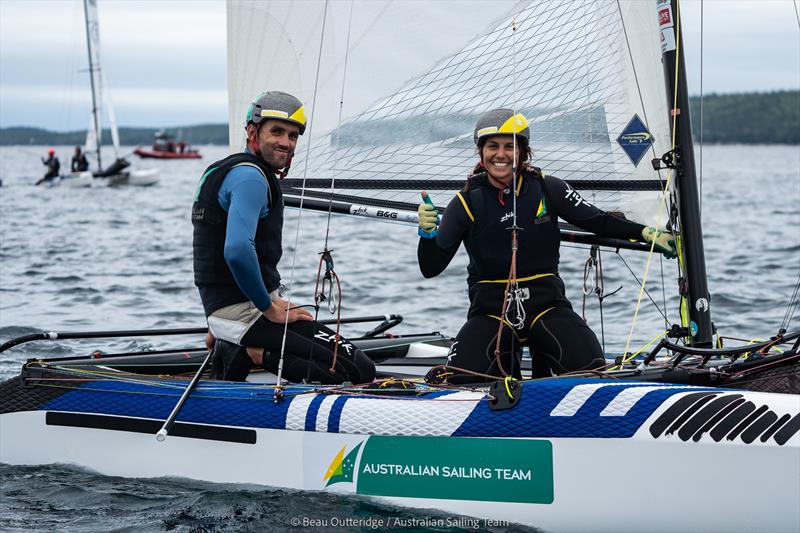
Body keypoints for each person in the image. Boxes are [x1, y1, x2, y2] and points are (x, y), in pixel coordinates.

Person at [417, 108, 676, 383]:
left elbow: (597, 221)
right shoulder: (466, 202)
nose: (501, 154)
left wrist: (646, 232)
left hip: (548, 307)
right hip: (492, 313)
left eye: (510, 146)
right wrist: (427, 233)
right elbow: (430, 268)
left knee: (594, 374)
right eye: (492, 146)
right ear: (481, 153)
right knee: (460, 381)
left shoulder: (547, 188)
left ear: (523, 152)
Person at [192, 91, 375, 384]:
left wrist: (220, 318)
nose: (285, 143)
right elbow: (237, 250)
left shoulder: (220, 170)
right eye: (276, 131)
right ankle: (251, 352)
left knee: (320, 348)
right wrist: (269, 309)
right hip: (247, 310)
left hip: (230, 308)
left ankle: (233, 340)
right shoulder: (251, 177)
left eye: (292, 136)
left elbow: (210, 247)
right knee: (358, 370)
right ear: (253, 132)